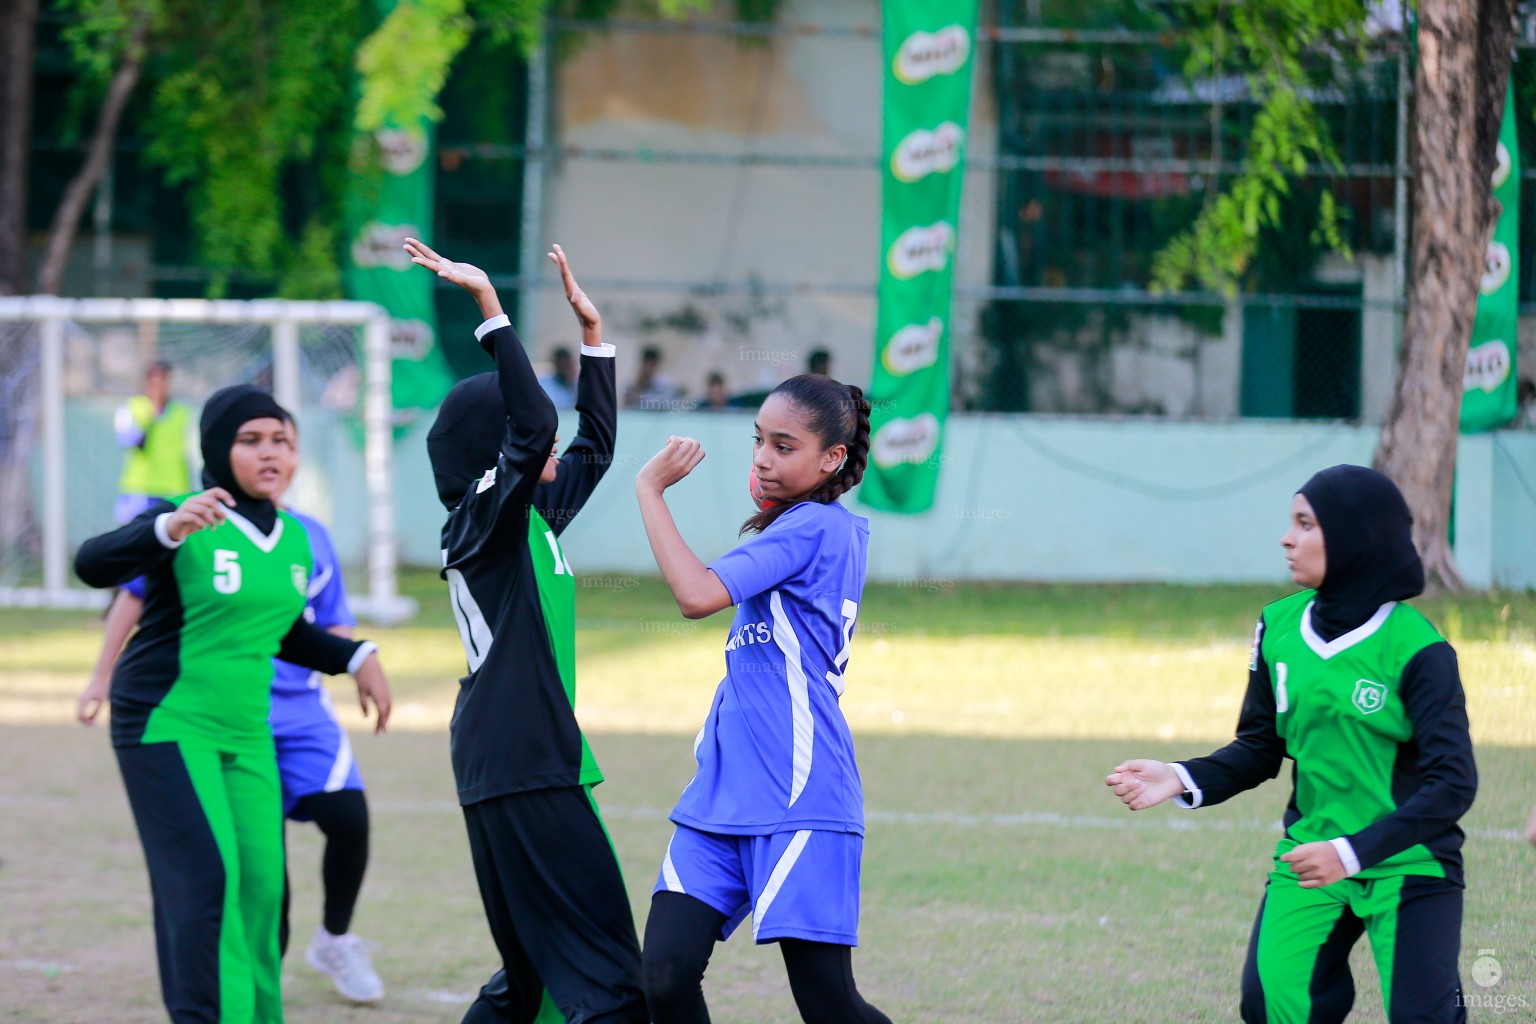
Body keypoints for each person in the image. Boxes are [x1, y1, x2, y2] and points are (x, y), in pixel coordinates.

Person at [1106, 465, 1477, 1024]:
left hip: (1411, 862)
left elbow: (1453, 785)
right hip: (1310, 855)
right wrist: (1180, 777)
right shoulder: (1278, 626)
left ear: (1354, 538)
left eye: (1305, 523)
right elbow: (1260, 747)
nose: (1287, 537)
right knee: (1273, 1003)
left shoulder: (1419, 650)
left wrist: (1350, 853)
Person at [74, 385, 392, 1024]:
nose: (270, 453)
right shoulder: (185, 514)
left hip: (247, 732)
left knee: (261, 886)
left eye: (281, 440)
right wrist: (165, 529)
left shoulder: (297, 540)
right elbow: (92, 564)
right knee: (207, 880)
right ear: (219, 449)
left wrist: (355, 657)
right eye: (251, 441)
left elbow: (281, 632)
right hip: (168, 722)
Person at [409, 236, 645, 1024]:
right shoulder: (487, 515)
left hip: (513, 757)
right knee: (612, 977)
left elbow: (596, 446)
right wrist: (489, 310)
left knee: (531, 982)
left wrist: (593, 340)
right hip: (524, 761)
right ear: (498, 444)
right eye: (520, 427)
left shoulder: (526, 515)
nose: (545, 442)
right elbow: (539, 423)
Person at [631, 375, 891, 1024]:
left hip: (799, 793)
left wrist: (650, 489)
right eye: (759, 442)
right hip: (721, 795)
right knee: (663, 975)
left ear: (832, 459)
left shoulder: (815, 528)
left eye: (784, 446)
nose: (763, 459)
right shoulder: (792, 527)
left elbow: (696, 596)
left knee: (830, 1004)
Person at [114, 361, 193, 523]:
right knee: (136, 536)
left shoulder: (181, 412)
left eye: (164, 381)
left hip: (173, 487)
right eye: (155, 382)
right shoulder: (133, 408)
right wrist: (152, 416)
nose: (160, 387)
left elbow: (187, 452)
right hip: (141, 486)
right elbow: (134, 443)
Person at [624, 346, 680, 410]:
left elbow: (669, 404)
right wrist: (640, 386)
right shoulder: (632, 383)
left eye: (652, 365)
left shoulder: (665, 383)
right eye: (648, 365)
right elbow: (627, 405)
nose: (650, 368)